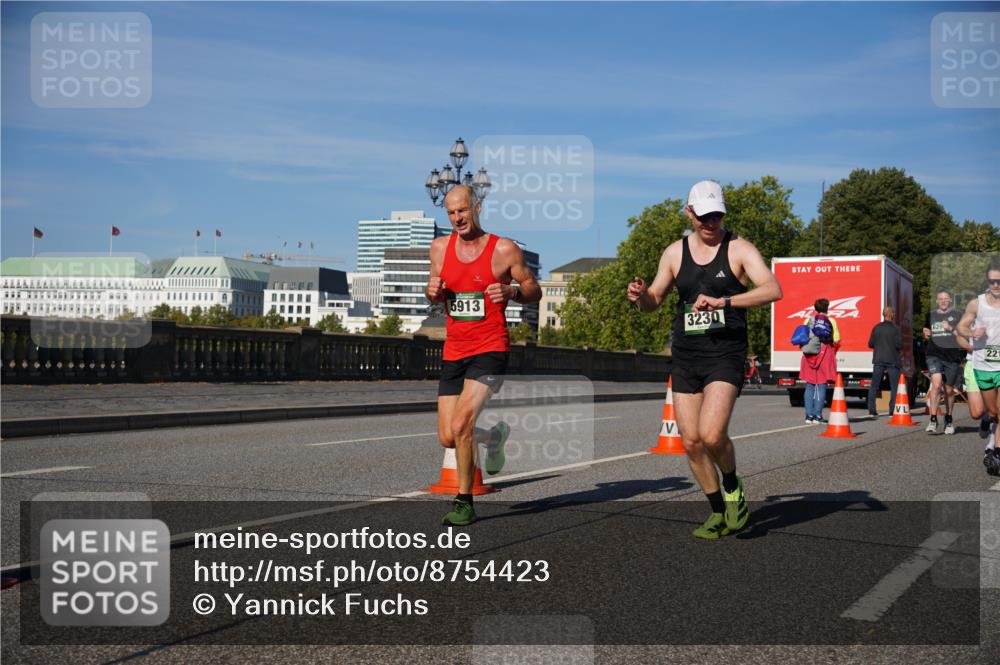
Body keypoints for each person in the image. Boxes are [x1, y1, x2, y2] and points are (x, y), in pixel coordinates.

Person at [627, 180, 782, 540]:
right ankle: (717, 512)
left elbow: (773, 289)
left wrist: (723, 302)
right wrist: (639, 296)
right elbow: (654, 300)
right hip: (686, 354)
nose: (711, 222)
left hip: (725, 353)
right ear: (689, 212)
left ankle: (732, 487)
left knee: (712, 435)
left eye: (717, 215)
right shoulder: (673, 253)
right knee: (691, 441)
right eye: (704, 215)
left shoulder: (739, 249)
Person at [425, 184, 542, 524]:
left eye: (462, 210)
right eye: (450, 212)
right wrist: (431, 291)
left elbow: (534, 289)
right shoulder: (438, 248)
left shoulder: (503, 249)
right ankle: (492, 437)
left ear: (476, 207)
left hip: (490, 347)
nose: (457, 217)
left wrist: (512, 291)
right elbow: (435, 292)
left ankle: (464, 502)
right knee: (448, 436)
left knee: (461, 423)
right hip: (454, 349)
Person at [956, 259, 1000, 476]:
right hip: (980, 364)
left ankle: (996, 451)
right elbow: (960, 329)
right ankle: (988, 420)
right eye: (992, 282)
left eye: (999, 281)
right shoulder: (976, 304)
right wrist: (971, 336)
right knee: (987, 412)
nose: (996, 285)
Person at [923, 290, 964, 434]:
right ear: (937, 301)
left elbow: (962, 334)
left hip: (952, 356)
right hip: (934, 354)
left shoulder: (958, 315)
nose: (943, 301)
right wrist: (926, 332)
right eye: (940, 299)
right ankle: (933, 419)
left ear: (950, 300)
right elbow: (926, 329)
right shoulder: (930, 315)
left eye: (946, 298)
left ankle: (949, 418)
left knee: (948, 390)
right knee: (936, 383)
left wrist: (950, 328)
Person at [799, 298, 840, 424]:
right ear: (827, 308)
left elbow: (802, 336)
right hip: (824, 354)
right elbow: (837, 340)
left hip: (809, 355)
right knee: (821, 386)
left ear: (815, 308)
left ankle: (808, 416)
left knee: (810, 386)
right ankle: (818, 416)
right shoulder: (831, 321)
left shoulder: (808, 320)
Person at [866, 306, 902, 417]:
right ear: (890, 314)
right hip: (892, 360)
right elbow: (899, 345)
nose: (894, 314)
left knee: (874, 385)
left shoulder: (876, 328)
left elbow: (870, 344)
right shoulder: (896, 329)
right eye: (893, 312)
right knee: (894, 386)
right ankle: (892, 410)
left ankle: (872, 410)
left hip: (878, 359)